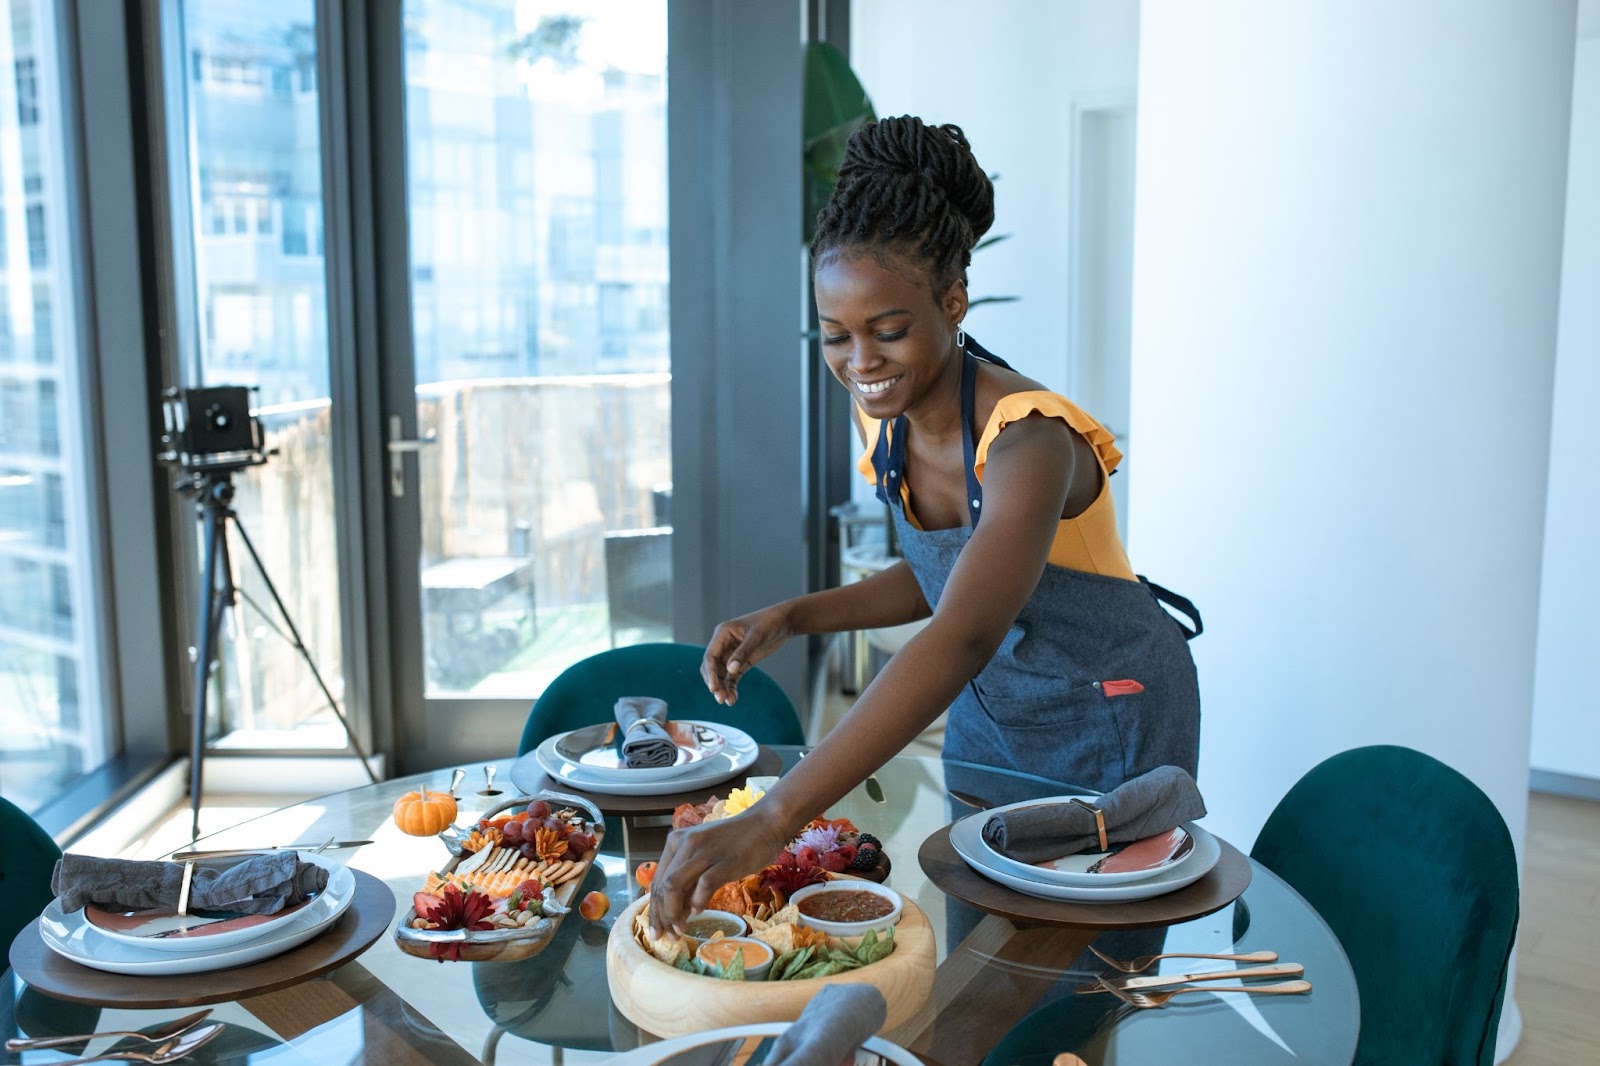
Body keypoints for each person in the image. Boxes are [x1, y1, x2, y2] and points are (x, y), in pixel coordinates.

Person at [649, 115, 1201, 935]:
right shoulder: (889, 423)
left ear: (952, 301)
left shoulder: (1030, 440)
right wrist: (795, 616)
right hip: (993, 718)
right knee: (979, 950)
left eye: (889, 331)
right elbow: (943, 576)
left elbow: (966, 631)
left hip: (1106, 720)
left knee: (1084, 980)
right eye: (836, 336)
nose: (861, 362)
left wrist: (774, 819)